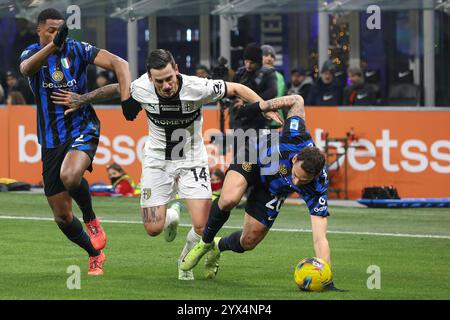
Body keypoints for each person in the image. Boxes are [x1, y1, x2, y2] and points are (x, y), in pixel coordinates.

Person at [51, 49, 282, 281]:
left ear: (177, 71)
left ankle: (184, 263)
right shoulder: (142, 87)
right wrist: (83, 99)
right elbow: (119, 89)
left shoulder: (197, 87)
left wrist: (266, 106)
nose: (167, 85)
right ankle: (172, 215)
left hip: (192, 160)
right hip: (157, 162)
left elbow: (236, 88)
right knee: (153, 229)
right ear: (150, 78)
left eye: (170, 79)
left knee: (203, 228)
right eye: (160, 81)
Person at [19, 8, 133, 276]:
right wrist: (52, 47)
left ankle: (91, 217)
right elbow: (26, 68)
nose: (56, 34)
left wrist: (124, 99)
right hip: (50, 140)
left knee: (70, 177)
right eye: (50, 30)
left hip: (83, 127)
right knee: (61, 216)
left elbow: (122, 65)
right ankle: (95, 254)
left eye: (60, 30)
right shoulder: (30, 55)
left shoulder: (78, 49)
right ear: (39, 31)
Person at [180, 95, 335, 287]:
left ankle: (217, 246)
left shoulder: (318, 185)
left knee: (249, 241)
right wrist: (260, 107)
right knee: (229, 199)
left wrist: (326, 278)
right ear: (295, 159)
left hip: (273, 189)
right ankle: (205, 242)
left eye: (304, 180)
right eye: (296, 175)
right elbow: (297, 100)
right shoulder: (296, 136)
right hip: (253, 156)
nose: (297, 182)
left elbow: (320, 237)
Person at [230, 42, 278, 131]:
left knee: (267, 144)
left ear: (258, 62)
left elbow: (272, 92)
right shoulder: (240, 74)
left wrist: (247, 101)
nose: (248, 65)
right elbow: (232, 92)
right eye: (246, 61)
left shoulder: (268, 73)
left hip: (261, 122)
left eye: (251, 62)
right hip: (240, 123)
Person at [261, 44, 286, 129]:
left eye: (272, 56)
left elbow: (282, 97)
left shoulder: (279, 77)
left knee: (272, 142)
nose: (269, 58)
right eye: (265, 55)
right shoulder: (255, 74)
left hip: (275, 121)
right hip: (257, 120)